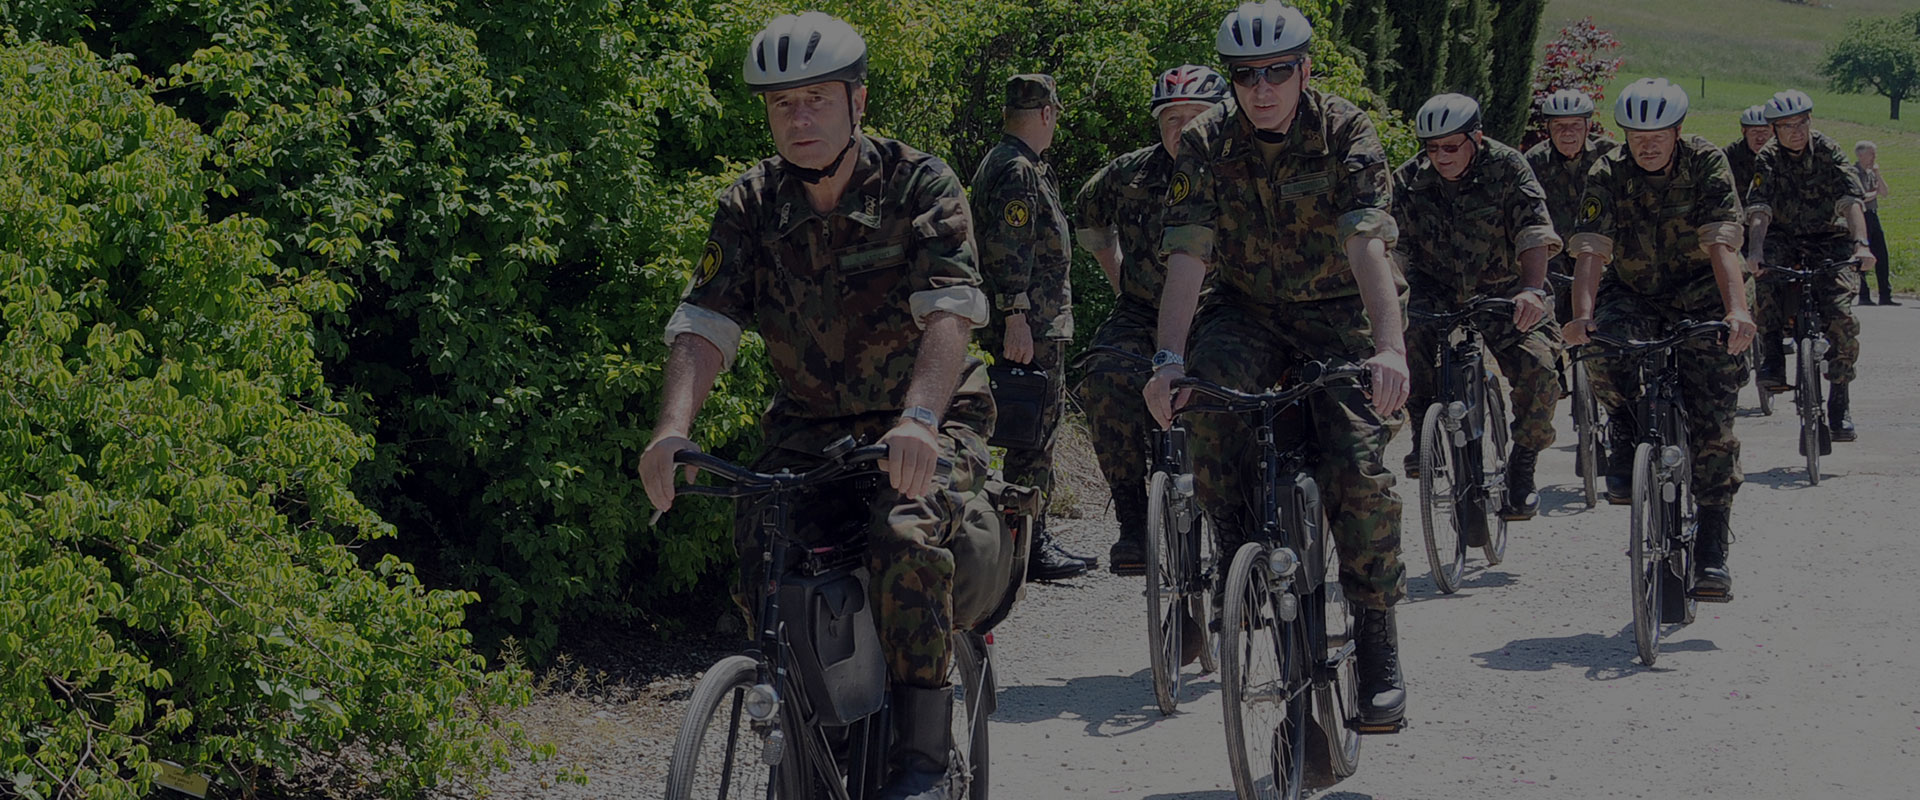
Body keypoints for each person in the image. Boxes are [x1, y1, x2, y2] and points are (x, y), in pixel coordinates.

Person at [638, 14, 992, 799]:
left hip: (927, 419)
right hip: (809, 429)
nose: (798, 119)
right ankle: (816, 736)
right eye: (782, 105)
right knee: (765, 543)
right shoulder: (751, 203)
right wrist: (672, 430)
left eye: (816, 101)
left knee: (902, 535)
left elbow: (950, 311)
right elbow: (706, 323)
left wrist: (922, 420)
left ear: (856, 101)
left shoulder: (918, 183)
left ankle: (922, 765)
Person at [1142, 0, 1411, 728]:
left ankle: (1377, 637)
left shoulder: (1344, 128)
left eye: (1277, 72)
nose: (1261, 89)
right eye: (1245, 75)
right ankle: (1240, 549)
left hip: (1339, 309)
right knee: (1210, 399)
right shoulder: (1205, 139)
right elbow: (1189, 254)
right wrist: (1168, 360)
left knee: (1356, 466)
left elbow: (1366, 243)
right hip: (1248, 308)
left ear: (1305, 70)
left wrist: (1389, 347)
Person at [1563, 78, 1757, 601]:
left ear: (1677, 131)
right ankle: (1626, 430)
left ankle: (1713, 545)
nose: (1647, 145)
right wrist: (1582, 317)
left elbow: (1722, 242)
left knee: (1713, 420)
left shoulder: (1706, 163)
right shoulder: (1608, 170)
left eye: (1658, 135)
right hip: (1635, 294)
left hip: (1704, 293)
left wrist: (1736, 310)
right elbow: (1591, 251)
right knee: (1601, 350)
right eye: (1636, 135)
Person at [1075, 65, 1229, 575]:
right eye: (1171, 118)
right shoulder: (1128, 174)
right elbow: (1089, 217)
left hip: (1223, 309)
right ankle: (1132, 517)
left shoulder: (1241, 170)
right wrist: (1117, 276)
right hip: (1143, 310)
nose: (1181, 128)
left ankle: (1237, 527)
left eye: (1194, 116)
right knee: (1103, 374)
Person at [1396, 93, 1564, 521]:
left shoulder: (1508, 167)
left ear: (1477, 138)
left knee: (1540, 367)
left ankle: (1523, 465)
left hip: (1502, 289)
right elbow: (1389, 244)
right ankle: (1423, 432)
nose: (1441, 157)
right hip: (1434, 289)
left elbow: (1533, 232)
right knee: (1405, 336)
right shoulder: (1409, 179)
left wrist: (1530, 290)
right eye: (1432, 148)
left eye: (1451, 146)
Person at [971, 73, 1095, 581]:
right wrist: (1016, 316)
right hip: (1033, 323)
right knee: (1033, 435)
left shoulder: (1004, 162)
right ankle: (1029, 544)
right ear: (1046, 113)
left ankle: (1024, 537)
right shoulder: (1018, 169)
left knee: (1029, 431)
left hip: (1035, 319)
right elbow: (1008, 247)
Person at [1745, 89, 1874, 442]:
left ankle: (1839, 401)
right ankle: (1771, 355)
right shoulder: (1768, 158)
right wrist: (1755, 252)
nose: (1796, 131)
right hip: (1783, 236)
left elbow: (1851, 201)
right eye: (1786, 125)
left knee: (1841, 317)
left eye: (1801, 122)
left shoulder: (1829, 151)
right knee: (1765, 280)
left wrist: (1861, 244)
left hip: (1828, 237)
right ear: (1774, 129)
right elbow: (1759, 209)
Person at [1525, 88, 1619, 325]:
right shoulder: (1534, 161)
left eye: (1575, 125)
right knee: (1544, 317)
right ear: (1548, 128)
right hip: (1554, 256)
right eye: (1559, 125)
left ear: (1588, 127)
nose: (1567, 133)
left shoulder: (1610, 156)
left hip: (1601, 253)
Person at [1854, 140, 1897, 306]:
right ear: (1860, 154)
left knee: (1881, 254)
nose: (1874, 157)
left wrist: (1878, 175)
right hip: (1861, 216)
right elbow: (1861, 197)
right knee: (1863, 255)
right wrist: (1875, 192)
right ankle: (1864, 295)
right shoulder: (1854, 172)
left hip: (1873, 215)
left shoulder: (1871, 173)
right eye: (1871, 153)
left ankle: (1885, 295)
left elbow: (1884, 192)